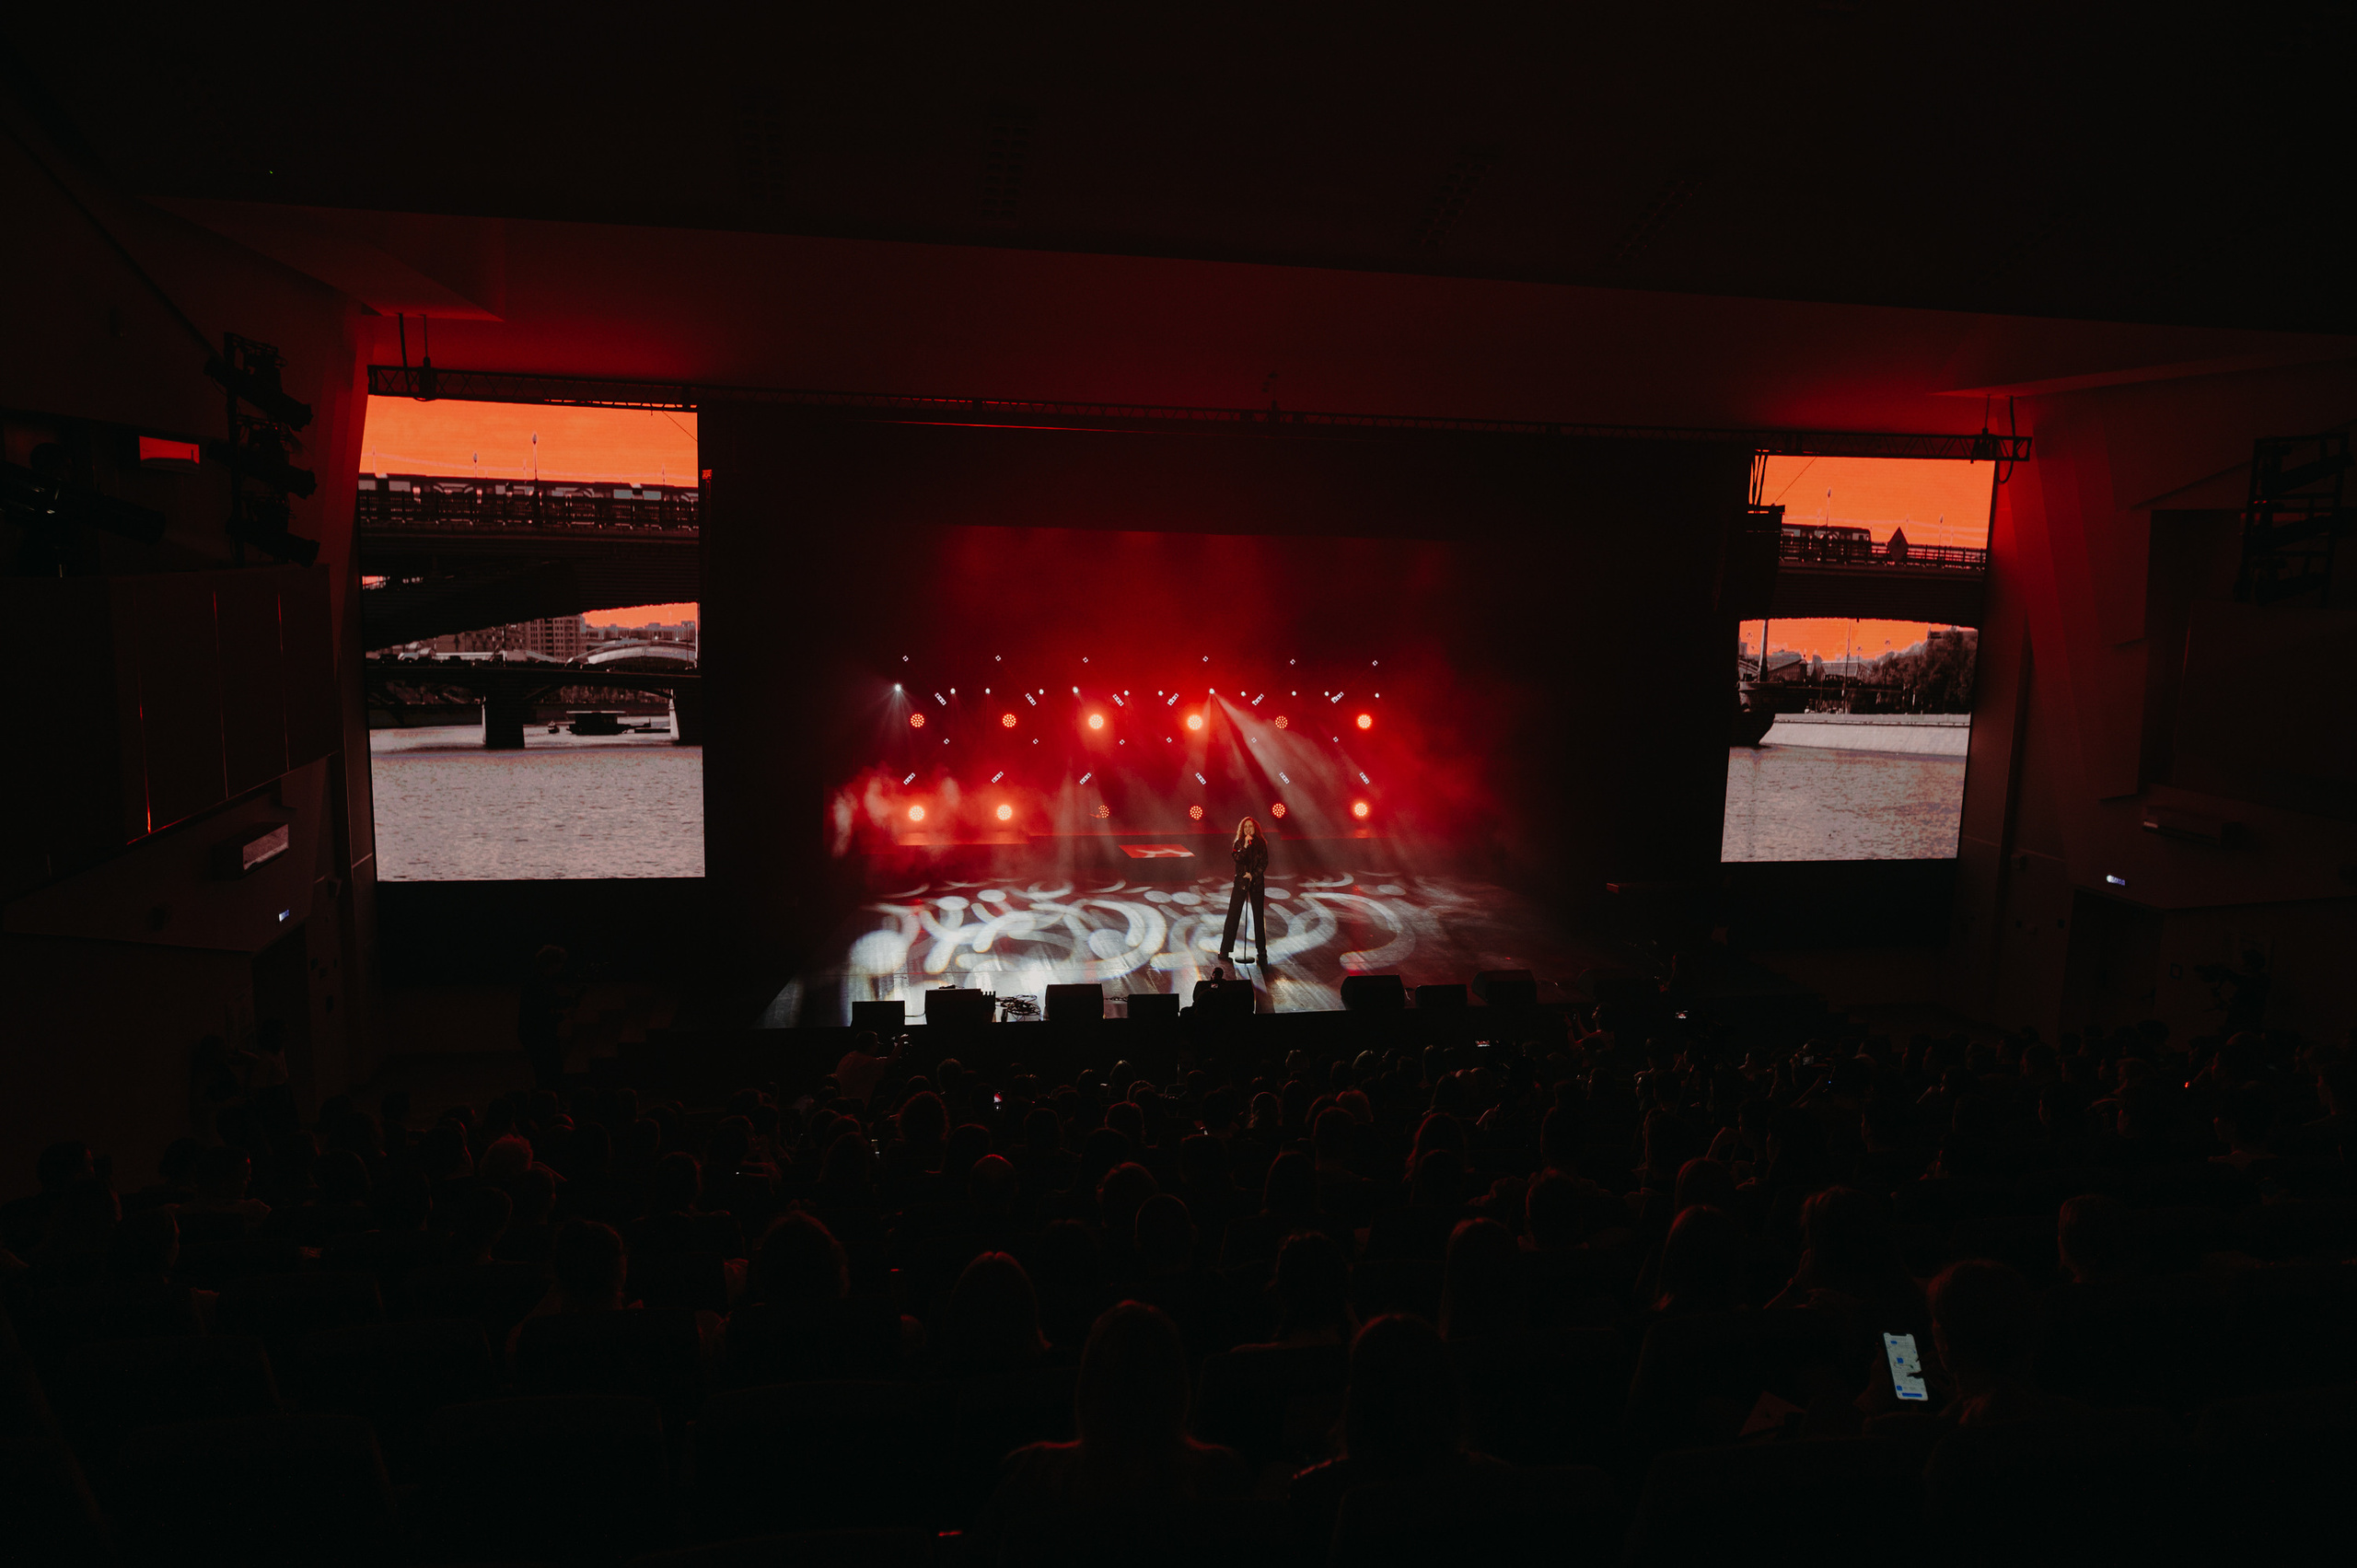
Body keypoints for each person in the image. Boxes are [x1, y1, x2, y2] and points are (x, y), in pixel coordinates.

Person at [1219, 816, 1270, 966]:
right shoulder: (1239, 843)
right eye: (1245, 827)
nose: (1248, 829)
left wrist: (1253, 875)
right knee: (1233, 915)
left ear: (1255, 829)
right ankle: (1225, 950)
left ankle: (1261, 951)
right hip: (1241, 883)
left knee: (1258, 917)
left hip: (1257, 883)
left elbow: (1264, 862)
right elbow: (1237, 858)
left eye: (1250, 827)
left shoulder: (1261, 844)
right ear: (1242, 829)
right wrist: (1245, 846)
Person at [519, 945, 571, 1092]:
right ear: (553, 964)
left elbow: (547, 1004)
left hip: (536, 1032)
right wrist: (562, 1015)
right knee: (548, 1070)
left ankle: (546, 1099)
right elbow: (540, 1013)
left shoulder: (539, 981)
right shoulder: (539, 984)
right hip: (538, 1033)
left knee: (545, 1070)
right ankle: (548, 1098)